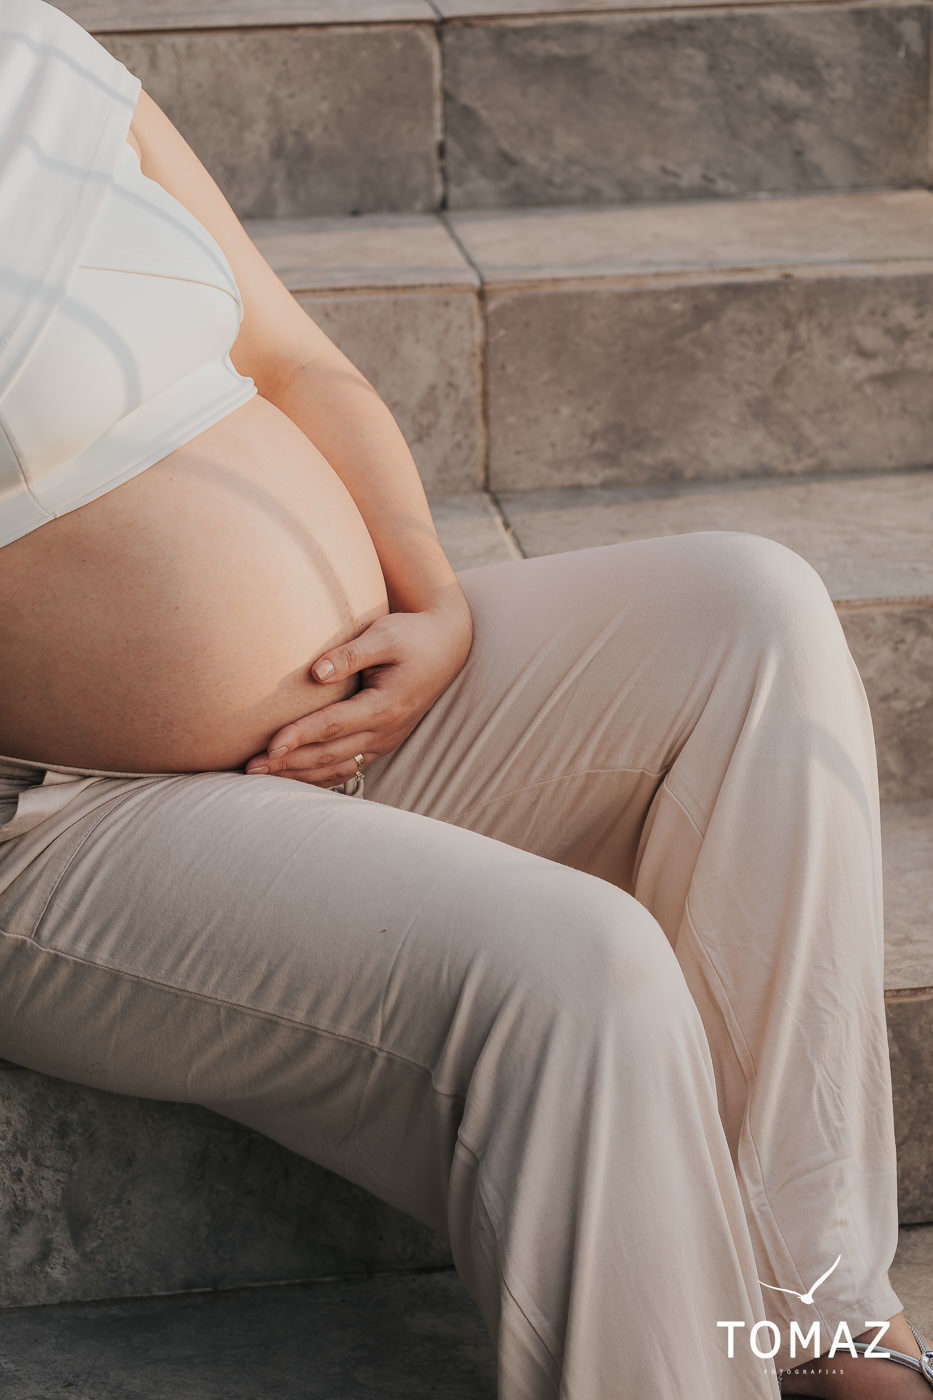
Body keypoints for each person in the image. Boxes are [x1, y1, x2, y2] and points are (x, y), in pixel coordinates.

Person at [0, 3, 929, 1396]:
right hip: (64, 822)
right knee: (578, 967)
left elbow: (294, 360)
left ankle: (817, 1315)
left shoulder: (37, 52)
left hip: (357, 706)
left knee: (752, 611)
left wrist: (428, 596)